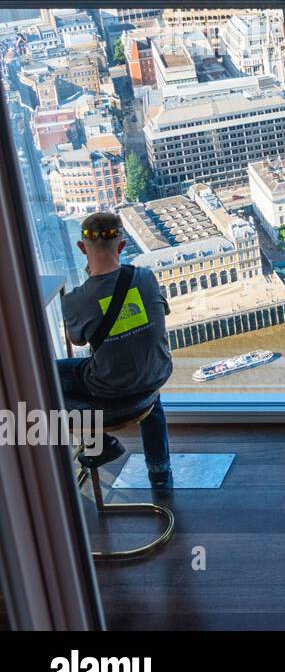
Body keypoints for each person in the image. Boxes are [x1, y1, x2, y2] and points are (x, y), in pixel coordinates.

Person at [59, 211, 174, 492]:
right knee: (144, 386)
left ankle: (101, 441)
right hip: (156, 374)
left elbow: (78, 342)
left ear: (82, 248)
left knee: (42, 376)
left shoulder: (77, 300)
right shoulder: (146, 278)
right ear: (122, 246)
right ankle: (159, 472)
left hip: (111, 385)